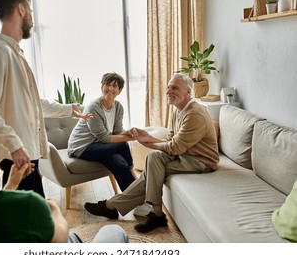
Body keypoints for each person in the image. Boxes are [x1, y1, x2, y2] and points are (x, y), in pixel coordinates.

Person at [0, 0, 92, 197]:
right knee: (26, 224)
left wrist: (69, 110)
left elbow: (34, 104)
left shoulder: (14, 53)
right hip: (17, 157)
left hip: (27, 153)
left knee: (35, 219)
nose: (33, 20)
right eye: (31, 12)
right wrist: (14, 145)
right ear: (21, 9)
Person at [0, 121, 128, 243]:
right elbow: (58, 241)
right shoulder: (27, 204)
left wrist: (11, 186)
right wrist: (54, 211)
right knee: (114, 232)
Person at [84, 73, 220, 233]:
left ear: (189, 92)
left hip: (200, 161)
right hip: (185, 155)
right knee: (154, 159)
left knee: (152, 168)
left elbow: (174, 147)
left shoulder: (194, 114)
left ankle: (114, 206)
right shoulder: (178, 109)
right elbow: (171, 139)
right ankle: (154, 213)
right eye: (168, 87)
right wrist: (148, 137)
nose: (169, 91)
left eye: (174, 87)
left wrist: (147, 142)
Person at [67, 72, 136, 192]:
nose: (110, 88)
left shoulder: (118, 107)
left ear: (119, 91)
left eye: (115, 86)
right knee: (123, 145)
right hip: (82, 148)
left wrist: (128, 133)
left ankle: (133, 198)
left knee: (118, 162)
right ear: (102, 87)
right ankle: (135, 178)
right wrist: (128, 138)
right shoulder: (93, 107)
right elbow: (104, 138)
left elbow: (117, 131)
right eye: (107, 84)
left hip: (100, 146)